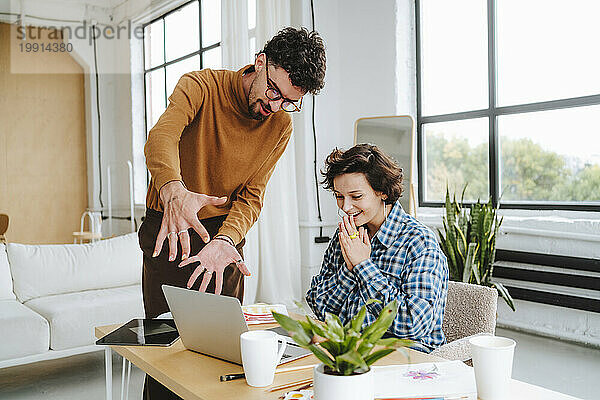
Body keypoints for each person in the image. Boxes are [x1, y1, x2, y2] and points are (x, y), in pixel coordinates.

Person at [139, 27, 326, 399]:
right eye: (274, 91)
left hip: (223, 240)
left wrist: (226, 238)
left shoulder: (280, 125)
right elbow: (160, 137)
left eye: (288, 101)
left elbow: (252, 196)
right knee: (166, 353)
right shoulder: (201, 87)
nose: (275, 106)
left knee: (225, 353)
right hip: (170, 227)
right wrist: (174, 191)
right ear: (260, 63)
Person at [306, 144, 448, 352]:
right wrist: (349, 269)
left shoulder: (419, 242)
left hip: (405, 361)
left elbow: (413, 325)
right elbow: (321, 307)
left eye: (356, 197)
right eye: (339, 196)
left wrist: (363, 266)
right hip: (347, 354)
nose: (345, 208)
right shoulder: (346, 236)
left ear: (381, 191)